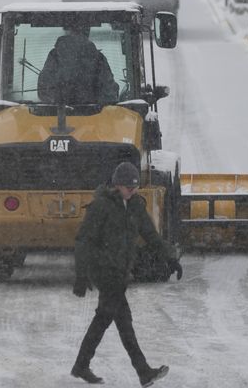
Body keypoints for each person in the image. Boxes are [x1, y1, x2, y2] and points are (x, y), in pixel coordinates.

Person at [71, 161, 183, 387]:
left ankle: (82, 366)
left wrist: (171, 257)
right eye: (128, 187)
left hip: (121, 271)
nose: (132, 191)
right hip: (103, 270)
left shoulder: (135, 207)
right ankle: (142, 371)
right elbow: (84, 241)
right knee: (118, 321)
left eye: (135, 188)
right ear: (117, 185)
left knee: (111, 320)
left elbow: (151, 236)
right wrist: (81, 275)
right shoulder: (101, 207)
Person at [37, 23, 119, 106]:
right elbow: (109, 93)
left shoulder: (55, 56)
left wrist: (60, 102)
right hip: (94, 116)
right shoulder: (98, 58)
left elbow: (44, 90)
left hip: (57, 116)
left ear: (68, 31)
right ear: (87, 32)